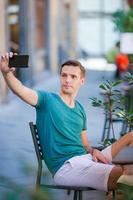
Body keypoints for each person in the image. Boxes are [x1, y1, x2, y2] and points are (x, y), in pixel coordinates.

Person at [0, 52, 133, 193]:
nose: (67, 80)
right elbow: (20, 90)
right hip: (67, 167)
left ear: (82, 81)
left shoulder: (80, 109)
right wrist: (6, 73)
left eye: (73, 76)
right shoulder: (47, 100)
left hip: (88, 158)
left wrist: (94, 151)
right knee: (123, 174)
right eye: (64, 75)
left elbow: (85, 144)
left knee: (130, 137)